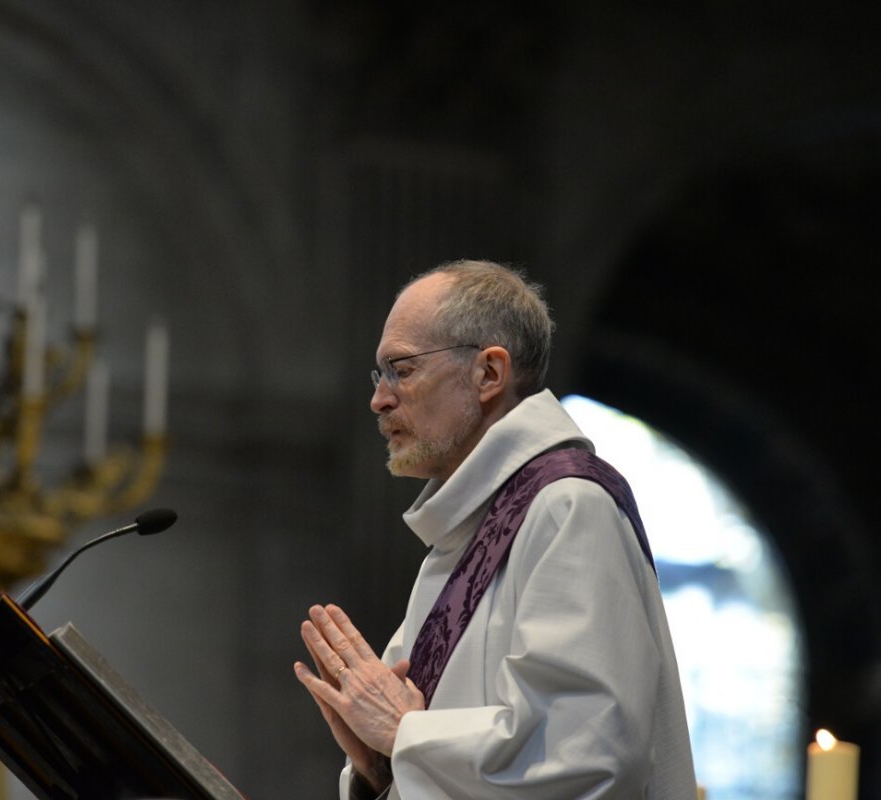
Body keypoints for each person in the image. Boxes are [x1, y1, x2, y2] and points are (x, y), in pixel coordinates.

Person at [293, 260, 696, 799]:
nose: (379, 399)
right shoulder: (469, 529)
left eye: (402, 370)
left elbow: (587, 755)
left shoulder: (568, 507)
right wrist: (381, 768)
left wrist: (405, 736)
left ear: (488, 374)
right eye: (380, 374)